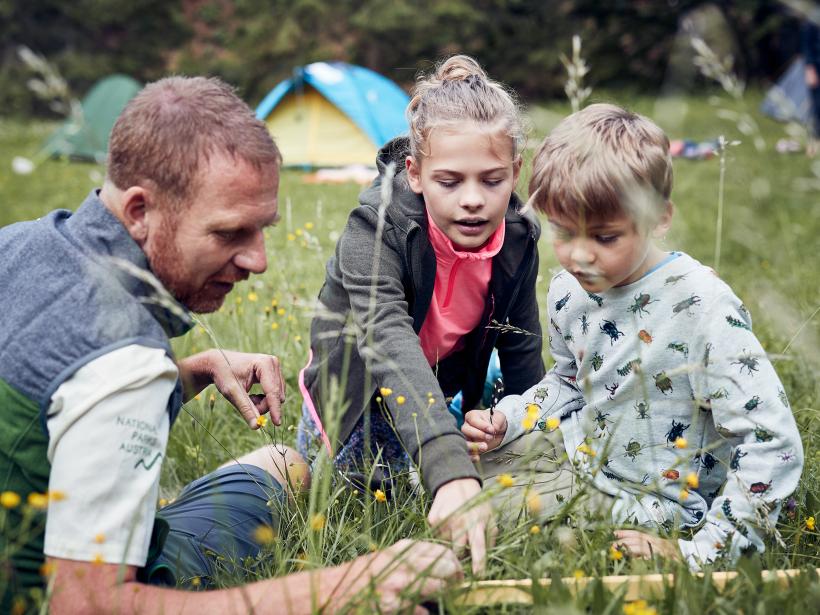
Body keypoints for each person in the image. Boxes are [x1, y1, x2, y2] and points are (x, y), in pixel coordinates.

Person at [0, 76, 461, 614]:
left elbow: (57, 401)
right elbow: (84, 607)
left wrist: (187, 372)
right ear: (139, 211)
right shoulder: (126, 365)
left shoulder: (18, 244)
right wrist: (351, 586)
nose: (259, 260)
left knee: (282, 460)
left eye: (263, 229)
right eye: (229, 234)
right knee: (287, 464)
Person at [462, 103, 804, 569]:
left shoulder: (701, 305)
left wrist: (704, 554)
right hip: (578, 455)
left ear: (660, 218)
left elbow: (771, 438)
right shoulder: (568, 290)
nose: (579, 256)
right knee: (448, 478)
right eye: (564, 232)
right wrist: (511, 419)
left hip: (651, 501)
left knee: (475, 519)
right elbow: (569, 383)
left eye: (605, 237)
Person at [297, 55, 545, 573]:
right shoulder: (375, 226)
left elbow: (520, 343)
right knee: (368, 507)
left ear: (515, 172)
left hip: (440, 384)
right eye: (450, 182)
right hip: (362, 388)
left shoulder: (518, 238)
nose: (474, 200)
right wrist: (448, 465)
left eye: (492, 180)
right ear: (415, 174)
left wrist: (532, 440)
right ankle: (314, 448)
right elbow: (385, 337)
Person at [801, 17, 820, 156]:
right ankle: (814, 141)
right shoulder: (814, 16)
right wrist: (809, 68)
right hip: (816, 67)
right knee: (817, 106)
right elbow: (807, 45)